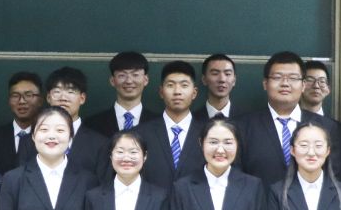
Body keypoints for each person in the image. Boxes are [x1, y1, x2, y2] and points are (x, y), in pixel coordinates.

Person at [233, 51, 341, 186]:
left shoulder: (326, 127)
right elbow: (236, 178)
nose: (285, 83)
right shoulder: (241, 127)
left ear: (303, 85)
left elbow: (334, 178)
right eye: (277, 77)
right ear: (265, 83)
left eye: (293, 78)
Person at [137, 61, 206, 190]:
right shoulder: (139, 134)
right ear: (161, 92)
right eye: (170, 85)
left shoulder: (208, 134)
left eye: (184, 85)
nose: (177, 91)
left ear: (194, 93)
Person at [42, 67, 110, 177]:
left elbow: (102, 184)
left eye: (70, 92)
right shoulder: (30, 141)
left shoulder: (100, 144)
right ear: (48, 98)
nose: (63, 98)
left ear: (82, 98)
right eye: (57, 91)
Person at [83, 52, 158, 138]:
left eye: (135, 75)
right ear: (112, 81)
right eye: (122, 75)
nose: (129, 81)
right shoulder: (91, 124)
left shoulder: (161, 124)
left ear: (146, 80)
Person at [0, 71, 44, 175]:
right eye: (15, 95)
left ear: (40, 100)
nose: (22, 101)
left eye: (28, 95)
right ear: (9, 100)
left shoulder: (49, 137)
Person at [194, 54, 237, 121]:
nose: (222, 79)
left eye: (227, 74)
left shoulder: (248, 120)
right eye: (215, 73)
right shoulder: (191, 120)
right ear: (204, 79)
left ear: (234, 80)